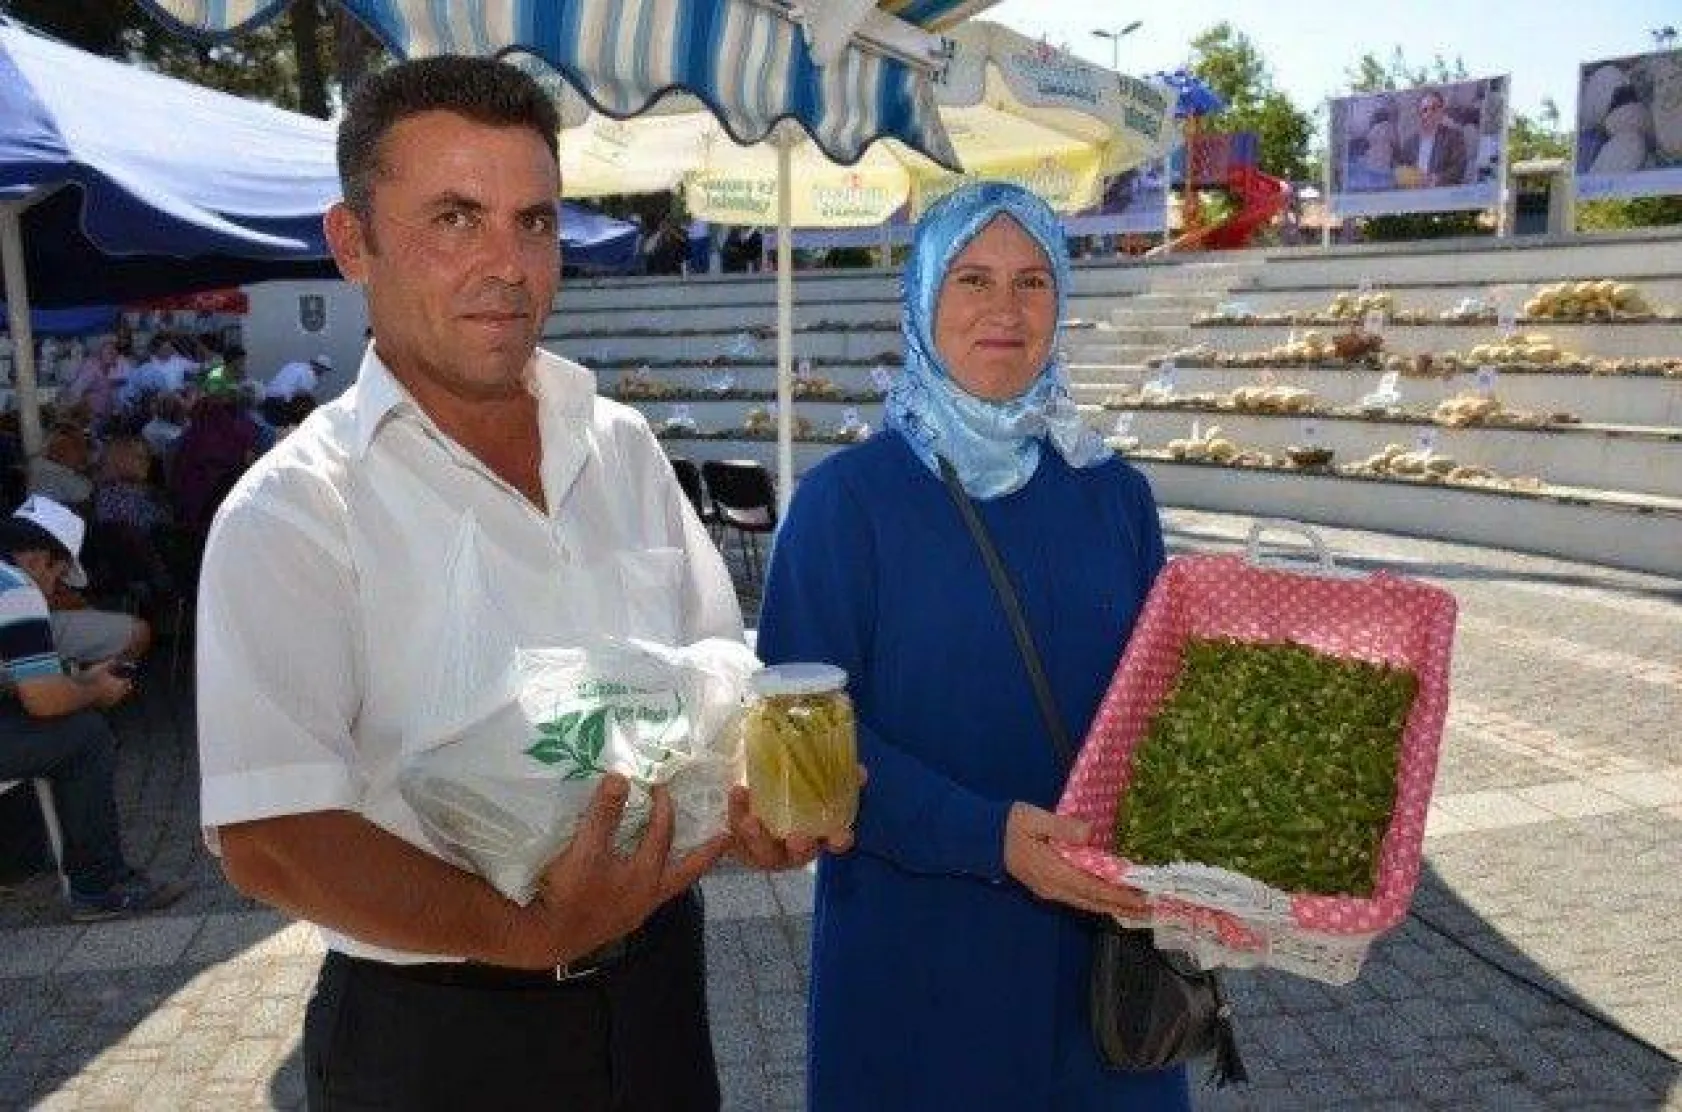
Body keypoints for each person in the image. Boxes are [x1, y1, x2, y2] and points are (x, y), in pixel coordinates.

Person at [195, 55, 821, 1112]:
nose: (507, 263)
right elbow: (274, 836)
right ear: (354, 242)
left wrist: (755, 806)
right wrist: (529, 933)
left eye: (532, 221)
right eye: (454, 218)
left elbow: (718, 705)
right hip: (439, 1031)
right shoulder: (294, 511)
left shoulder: (620, 448)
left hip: (658, 995)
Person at [755, 182, 1188, 1110]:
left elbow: (1159, 702)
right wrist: (989, 837)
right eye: (973, 279)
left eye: (1033, 281)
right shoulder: (847, 505)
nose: (1005, 309)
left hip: (1104, 984)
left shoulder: (1114, 495)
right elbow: (811, 739)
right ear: (920, 300)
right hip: (921, 976)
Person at [0, 495, 187, 920]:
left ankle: (16, 864)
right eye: (61, 572)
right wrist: (96, 692)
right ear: (41, 560)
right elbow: (45, 702)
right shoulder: (15, 589)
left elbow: (30, 692)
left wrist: (81, 682)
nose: (57, 587)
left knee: (39, 726)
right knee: (86, 737)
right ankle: (97, 886)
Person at [1396, 90, 1469, 188]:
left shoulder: (1454, 137)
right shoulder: (1410, 143)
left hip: (1442, 194)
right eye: (1425, 110)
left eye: (1434, 109)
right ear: (1420, 114)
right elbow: (1401, 170)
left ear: (1441, 111)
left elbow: (1459, 168)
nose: (1429, 113)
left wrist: (1437, 179)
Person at [262, 353, 330, 404]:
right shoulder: (309, 376)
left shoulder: (294, 365)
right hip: (279, 400)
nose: (323, 372)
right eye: (323, 369)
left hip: (268, 395)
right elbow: (299, 392)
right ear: (317, 365)